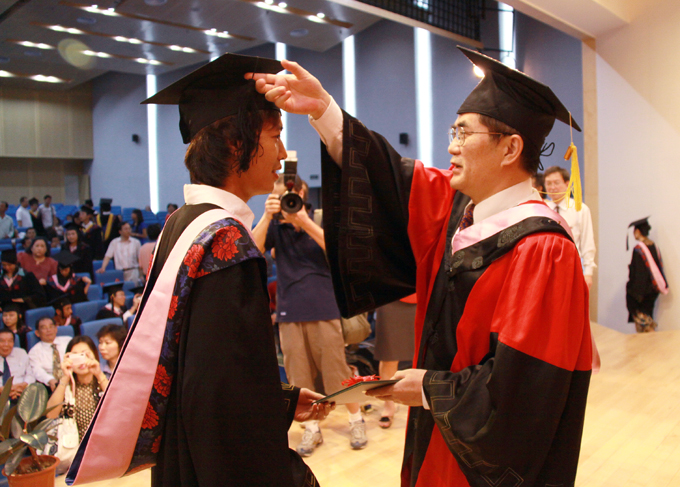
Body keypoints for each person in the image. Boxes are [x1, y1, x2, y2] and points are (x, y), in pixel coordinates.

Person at [253, 48, 593, 487]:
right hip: (436, 432)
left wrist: (431, 390)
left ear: (510, 148)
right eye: (454, 131)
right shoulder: (458, 210)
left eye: (464, 132)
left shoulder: (545, 250)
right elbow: (389, 175)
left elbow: (527, 393)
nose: (451, 145)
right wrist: (323, 109)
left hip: (483, 461)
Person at [66, 53, 330, 487]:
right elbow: (224, 404)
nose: (283, 154)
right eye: (276, 135)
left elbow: (202, 373)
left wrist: (280, 399)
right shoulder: (226, 242)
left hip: (186, 454)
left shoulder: (183, 223)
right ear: (236, 144)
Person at [253, 174, 367, 456]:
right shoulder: (275, 226)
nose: (284, 201)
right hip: (289, 311)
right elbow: (252, 251)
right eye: (277, 197)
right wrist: (266, 217)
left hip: (323, 307)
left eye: (287, 195)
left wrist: (304, 221)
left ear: (301, 193)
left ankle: (356, 420)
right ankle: (312, 428)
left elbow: (339, 252)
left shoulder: (321, 219)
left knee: (337, 371)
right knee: (298, 376)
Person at [46, 335, 109, 440]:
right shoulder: (65, 386)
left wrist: (98, 374)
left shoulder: (104, 380)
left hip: (102, 442)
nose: (81, 361)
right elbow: (50, 415)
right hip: (73, 446)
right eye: (75, 356)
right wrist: (65, 377)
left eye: (85, 354)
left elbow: (118, 407)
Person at [544, 166, 597, 288]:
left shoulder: (579, 209)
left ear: (567, 184)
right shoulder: (541, 209)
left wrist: (588, 272)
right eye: (549, 183)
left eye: (557, 183)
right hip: (546, 268)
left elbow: (587, 241)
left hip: (571, 266)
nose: (552, 187)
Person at [373, 295, 416, 429]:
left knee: (426, 352)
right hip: (390, 295)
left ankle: (425, 401)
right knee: (388, 355)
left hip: (425, 293)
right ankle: (389, 405)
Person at [626, 217, 668, 332]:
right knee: (648, 317)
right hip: (652, 291)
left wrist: (634, 294)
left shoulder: (639, 249)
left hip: (641, 293)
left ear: (638, 231)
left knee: (643, 326)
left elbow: (638, 274)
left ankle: (649, 341)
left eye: (634, 231)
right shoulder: (654, 246)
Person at [28, 316, 71, 392]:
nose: (48, 330)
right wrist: (50, 380)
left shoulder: (68, 341)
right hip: (52, 385)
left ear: (56, 329)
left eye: (51, 326)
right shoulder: (34, 352)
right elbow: (37, 370)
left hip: (73, 378)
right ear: (37, 333)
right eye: (44, 328)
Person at [0, 327, 35, 401]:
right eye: (2, 341)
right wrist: (5, 391)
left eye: (10, 341)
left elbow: (30, 374)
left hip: (22, 393)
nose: (6, 344)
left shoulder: (21, 353)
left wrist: (24, 385)